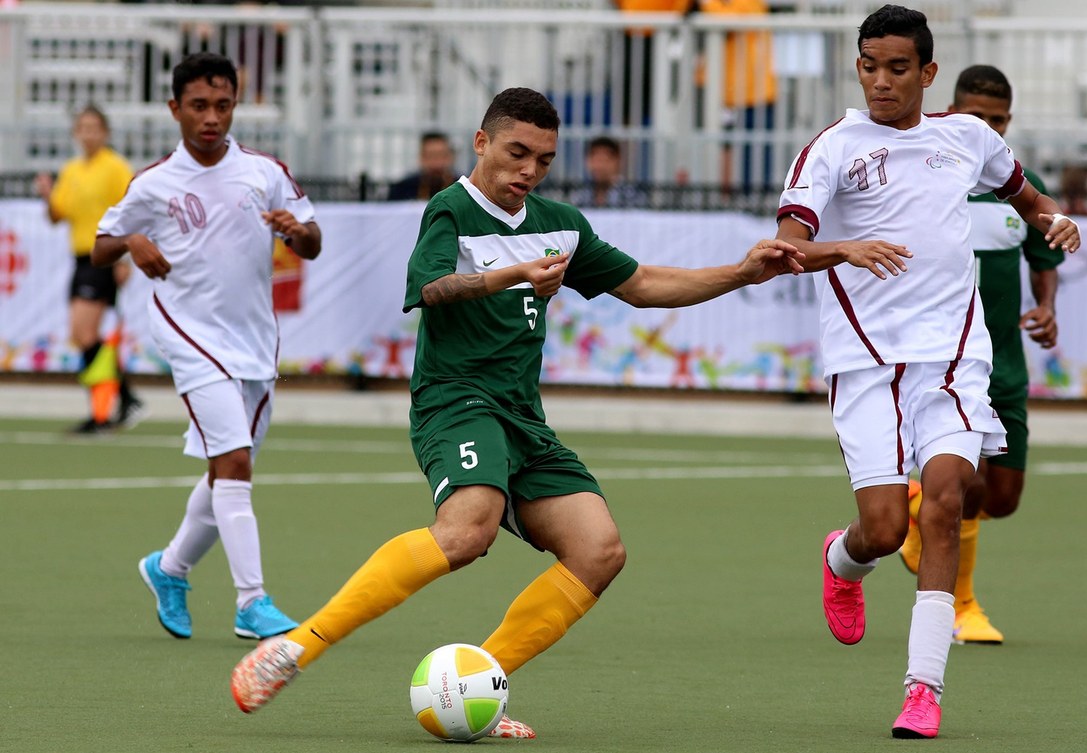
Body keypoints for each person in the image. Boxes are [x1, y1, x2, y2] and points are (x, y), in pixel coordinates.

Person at [230, 86, 803, 737]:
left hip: (522, 416)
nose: (528, 170)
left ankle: (479, 680)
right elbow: (432, 288)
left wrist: (740, 271)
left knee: (599, 549)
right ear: (482, 143)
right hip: (455, 399)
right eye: (516, 152)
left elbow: (642, 285)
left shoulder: (558, 222)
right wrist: (516, 273)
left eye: (543, 160)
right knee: (467, 531)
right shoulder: (450, 208)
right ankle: (296, 647)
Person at [774, 5, 1080, 739]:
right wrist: (841, 248)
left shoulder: (966, 138)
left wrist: (1052, 220)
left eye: (898, 68)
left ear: (928, 73)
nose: (881, 81)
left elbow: (1025, 194)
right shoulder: (834, 147)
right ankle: (844, 560)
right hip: (864, 359)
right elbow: (783, 246)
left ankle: (922, 689)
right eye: (869, 66)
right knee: (884, 529)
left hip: (953, 356)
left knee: (946, 500)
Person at [92, 52, 322, 641]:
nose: (211, 117)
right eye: (198, 106)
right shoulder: (154, 182)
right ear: (175, 109)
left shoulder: (264, 171)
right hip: (189, 335)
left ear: (235, 105)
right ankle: (252, 601)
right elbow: (100, 245)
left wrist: (298, 233)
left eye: (223, 104)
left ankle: (169, 568)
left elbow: (313, 241)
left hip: (253, 340)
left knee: (229, 469)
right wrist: (135, 241)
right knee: (235, 462)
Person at [897, 65, 1066, 646]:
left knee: (1004, 498)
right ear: (952, 110)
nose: (986, 128)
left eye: (996, 120)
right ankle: (963, 606)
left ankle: (921, 509)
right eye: (975, 117)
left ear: (1008, 122)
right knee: (963, 489)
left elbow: (1045, 266)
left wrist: (1046, 308)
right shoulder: (930, 177)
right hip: (949, 359)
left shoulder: (1022, 186)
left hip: (1007, 365)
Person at [35, 105, 144, 433]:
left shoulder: (114, 167)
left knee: (84, 333)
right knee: (83, 336)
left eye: (95, 127)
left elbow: (131, 209)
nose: (89, 133)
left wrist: (124, 258)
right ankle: (119, 401)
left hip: (105, 256)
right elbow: (58, 216)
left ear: (105, 132)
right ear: (75, 133)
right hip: (81, 258)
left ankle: (108, 409)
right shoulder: (72, 170)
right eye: (83, 127)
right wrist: (48, 197)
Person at [697, 0, 777, 192]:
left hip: (753, 92)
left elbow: (730, 20)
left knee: (754, 159)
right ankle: (725, 199)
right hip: (724, 91)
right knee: (721, 148)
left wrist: (706, 5)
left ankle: (752, 203)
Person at [571, 136, 647, 209]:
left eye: (604, 160)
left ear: (617, 161)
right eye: (595, 160)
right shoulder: (579, 195)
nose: (599, 166)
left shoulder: (632, 195)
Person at [387, 132, 457, 201]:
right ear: (421, 158)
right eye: (430, 156)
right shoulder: (404, 188)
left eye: (441, 155)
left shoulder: (460, 186)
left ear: (450, 157)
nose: (436, 162)